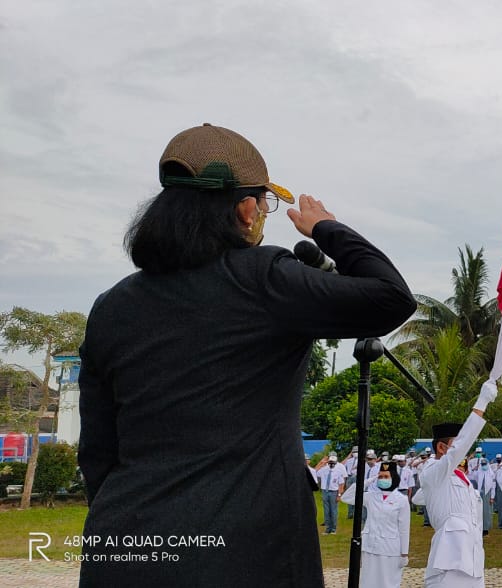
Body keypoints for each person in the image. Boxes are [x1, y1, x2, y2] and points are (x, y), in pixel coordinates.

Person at [76, 124, 416, 585]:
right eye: (264, 204)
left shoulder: (111, 306)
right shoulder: (263, 278)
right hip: (248, 549)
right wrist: (326, 229)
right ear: (245, 208)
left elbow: (97, 449)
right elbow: (391, 298)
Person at [411, 381, 498, 587]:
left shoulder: (462, 478)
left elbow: (421, 497)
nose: (464, 452)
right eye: (457, 445)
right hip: (449, 560)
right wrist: (482, 401)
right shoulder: (432, 471)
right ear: (442, 447)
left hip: (473, 558)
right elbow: (457, 451)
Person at [340, 462, 410, 588]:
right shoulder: (371, 497)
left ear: (394, 478)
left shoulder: (401, 500)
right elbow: (346, 497)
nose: (383, 480)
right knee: (368, 581)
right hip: (370, 546)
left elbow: (404, 529)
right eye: (380, 477)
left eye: (386, 477)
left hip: (390, 549)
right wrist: (369, 480)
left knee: (388, 582)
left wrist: (404, 553)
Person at [317, 453, 348, 534]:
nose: (331, 464)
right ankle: (327, 529)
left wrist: (339, 495)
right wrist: (321, 463)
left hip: (334, 492)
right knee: (326, 511)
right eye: (330, 462)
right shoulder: (324, 469)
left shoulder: (338, 471)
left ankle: (333, 529)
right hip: (325, 491)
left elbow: (341, 484)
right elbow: (315, 471)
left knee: (333, 511)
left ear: (335, 463)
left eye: (333, 463)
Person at [470, 456, 495, 535]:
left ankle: (486, 528)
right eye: (482, 464)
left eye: (485, 464)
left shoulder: (491, 474)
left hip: (488, 493)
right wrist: (474, 468)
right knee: (479, 511)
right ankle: (480, 527)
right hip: (480, 493)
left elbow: (493, 486)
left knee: (486, 511)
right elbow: (471, 475)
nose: (483, 466)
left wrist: (492, 497)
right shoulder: (478, 472)